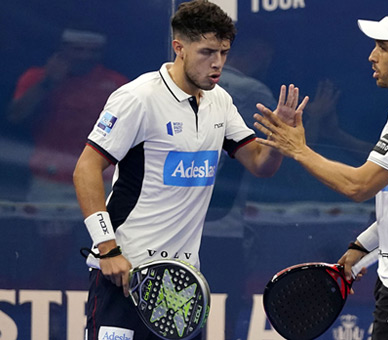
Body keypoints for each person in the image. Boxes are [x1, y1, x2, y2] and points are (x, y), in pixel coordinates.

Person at [72, 1, 307, 339]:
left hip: (180, 284)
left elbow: (259, 164)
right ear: (179, 48)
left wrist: (279, 141)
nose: (218, 63)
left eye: (224, 53)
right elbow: (86, 169)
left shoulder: (221, 102)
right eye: (208, 52)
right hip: (123, 272)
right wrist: (107, 248)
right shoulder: (138, 98)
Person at [254, 8, 388, 339]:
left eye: (383, 48)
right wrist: (363, 244)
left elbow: (359, 185)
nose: (372, 56)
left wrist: (298, 149)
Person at [7, 28, 128, 202]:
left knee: (106, 229)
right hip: (50, 179)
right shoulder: (36, 77)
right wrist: (48, 82)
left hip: (103, 179)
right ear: (63, 49)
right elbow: (15, 117)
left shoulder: (117, 83)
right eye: (78, 49)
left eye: (93, 51)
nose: (85, 56)